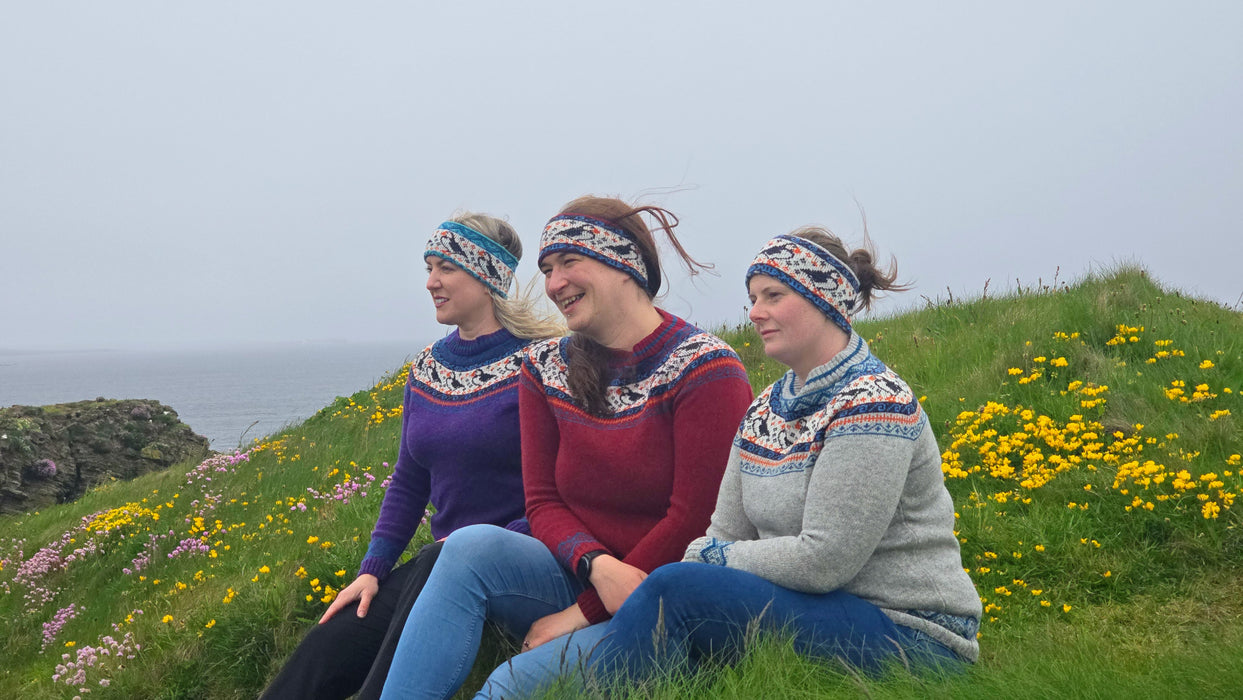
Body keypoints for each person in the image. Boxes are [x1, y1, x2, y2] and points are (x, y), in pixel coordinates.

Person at [377, 197, 756, 700]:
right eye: (547, 269)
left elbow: (696, 519)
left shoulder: (704, 369)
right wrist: (595, 566)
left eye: (569, 262)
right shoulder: (545, 367)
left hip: (671, 600)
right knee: (468, 547)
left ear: (624, 262)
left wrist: (581, 614)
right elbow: (542, 501)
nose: (554, 284)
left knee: (506, 687)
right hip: (580, 574)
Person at [580, 227, 983, 688]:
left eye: (773, 295)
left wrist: (713, 556)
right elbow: (725, 532)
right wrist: (713, 553)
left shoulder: (873, 402)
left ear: (825, 300)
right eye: (753, 298)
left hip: (911, 632)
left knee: (675, 590)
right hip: (813, 610)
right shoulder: (764, 409)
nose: (755, 312)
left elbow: (823, 560)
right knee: (683, 632)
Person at [261, 214, 563, 700]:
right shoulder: (427, 368)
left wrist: (492, 545)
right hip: (439, 561)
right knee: (330, 644)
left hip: (518, 556)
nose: (430, 283)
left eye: (446, 268)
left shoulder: (543, 362)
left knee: (436, 569)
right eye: (428, 268)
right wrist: (372, 569)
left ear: (486, 276)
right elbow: (409, 479)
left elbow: (565, 482)